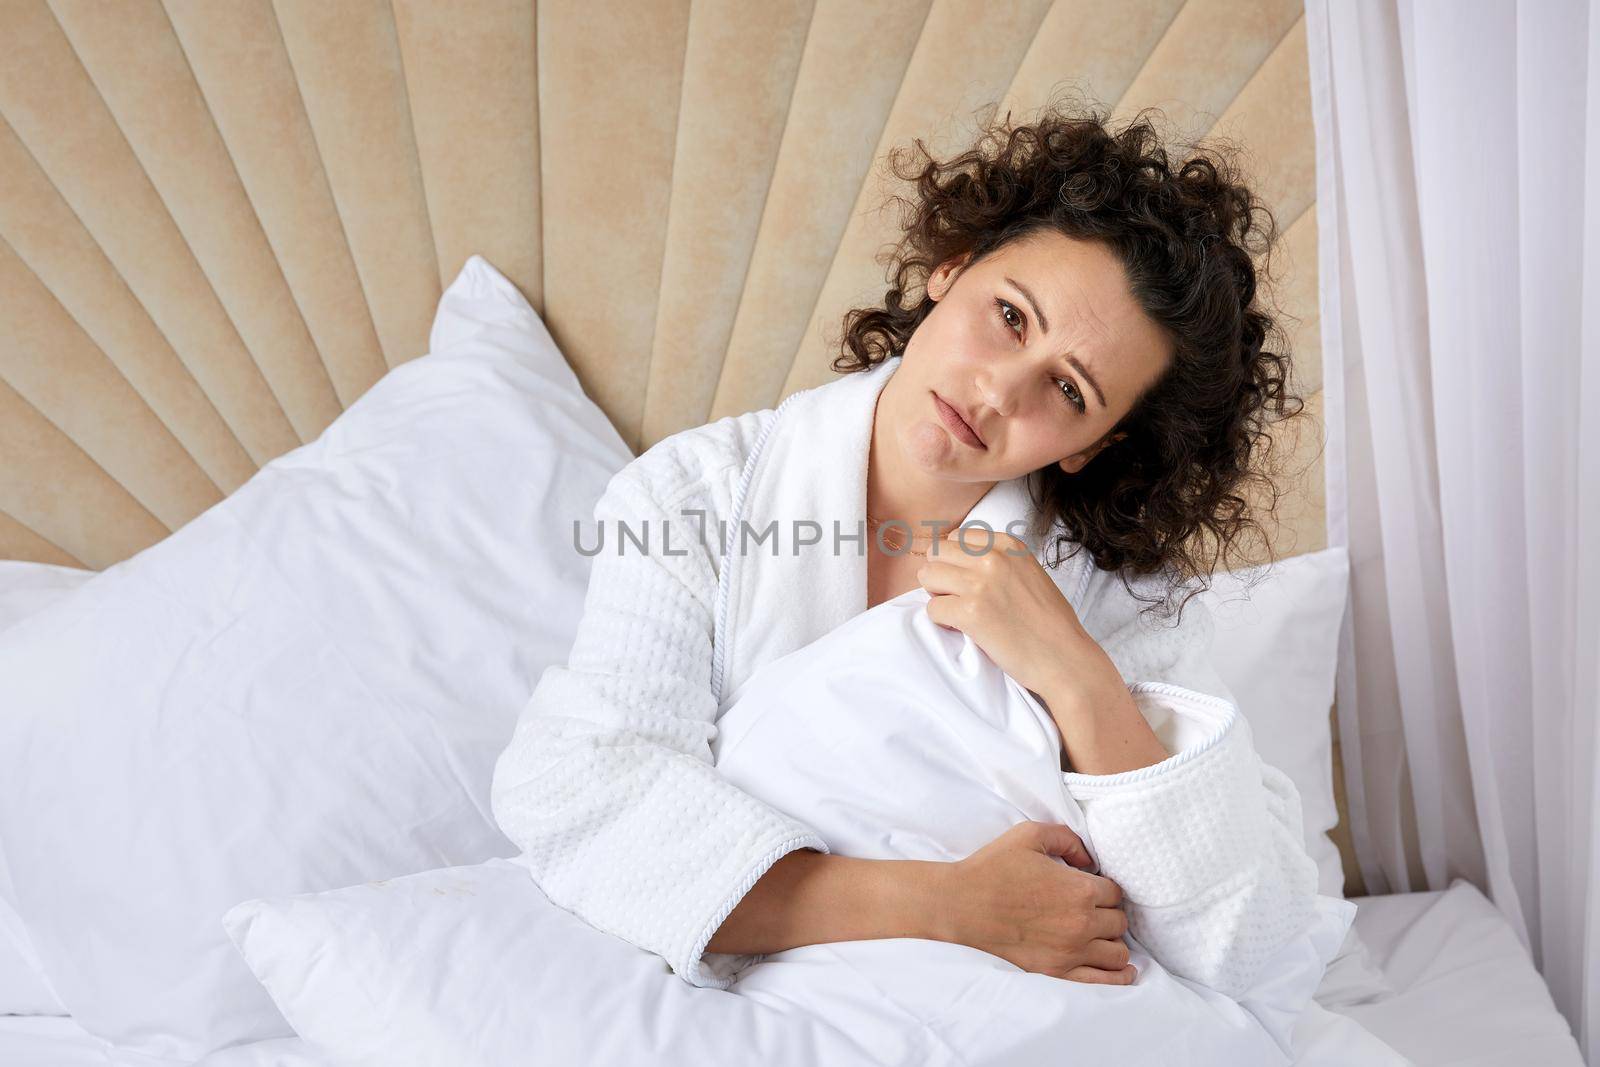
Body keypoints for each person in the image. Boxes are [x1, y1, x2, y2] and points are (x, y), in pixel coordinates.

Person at [490, 100, 1317, 997]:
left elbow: (1259, 938)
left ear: (1095, 443)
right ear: (949, 266)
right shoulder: (695, 497)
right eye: (1009, 315)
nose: (1001, 389)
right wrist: (950, 905)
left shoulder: (1100, 586)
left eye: (1070, 390)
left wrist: (1077, 677)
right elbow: (584, 799)